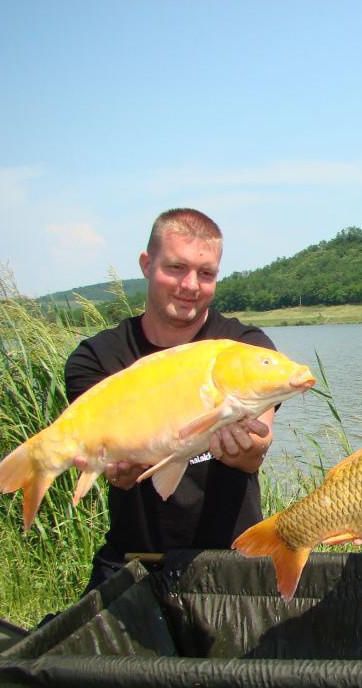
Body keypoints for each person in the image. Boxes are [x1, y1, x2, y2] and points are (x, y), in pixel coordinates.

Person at [65, 208, 277, 593]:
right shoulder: (97, 358)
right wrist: (116, 467)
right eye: (176, 268)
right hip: (134, 561)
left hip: (231, 560)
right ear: (147, 265)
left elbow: (256, 451)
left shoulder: (244, 350)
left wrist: (247, 448)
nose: (191, 285)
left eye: (206, 273)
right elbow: (117, 471)